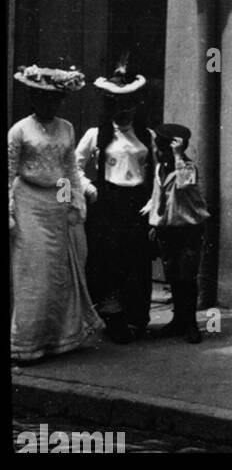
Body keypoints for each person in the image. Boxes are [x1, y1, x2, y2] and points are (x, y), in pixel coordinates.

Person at [9, 65, 102, 363]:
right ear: (33, 99)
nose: (51, 104)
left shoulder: (67, 128)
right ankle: (26, 344)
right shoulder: (20, 130)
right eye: (44, 99)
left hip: (55, 203)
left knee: (57, 273)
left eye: (56, 99)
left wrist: (71, 202)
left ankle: (58, 338)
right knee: (33, 272)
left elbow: (69, 169)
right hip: (27, 202)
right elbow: (9, 172)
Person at [75, 63, 155, 344]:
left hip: (138, 205)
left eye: (129, 105)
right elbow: (73, 167)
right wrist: (88, 188)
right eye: (118, 106)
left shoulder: (147, 137)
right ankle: (114, 316)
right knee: (110, 263)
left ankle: (137, 317)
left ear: (136, 106)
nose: (124, 112)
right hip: (107, 206)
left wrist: (154, 201)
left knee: (136, 262)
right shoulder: (95, 136)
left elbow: (157, 173)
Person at [141, 124, 210, 344]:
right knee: (173, 276)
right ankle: (178, 319)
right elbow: (159, 194)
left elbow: (184, 184)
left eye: (164, 150)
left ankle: (190, 324)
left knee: (187, 276)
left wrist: (179, 156)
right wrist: (154, 221)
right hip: (168, 229)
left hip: (188, 230)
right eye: (159, 149)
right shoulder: (161, 167)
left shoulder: (187, 167)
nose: (160, 153)